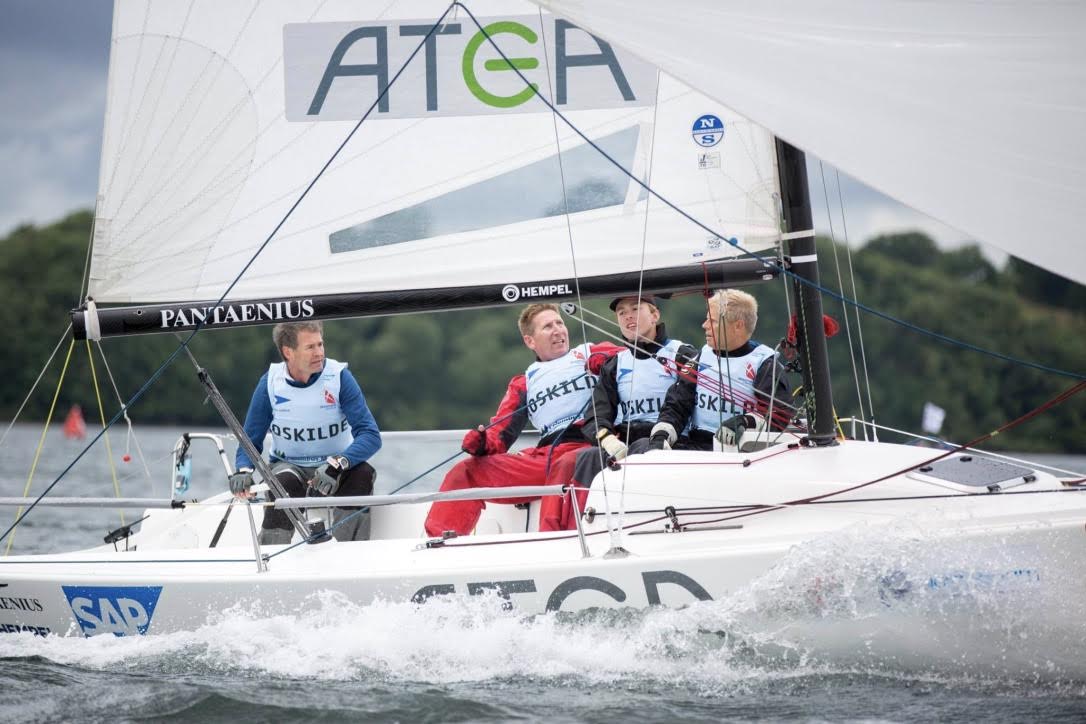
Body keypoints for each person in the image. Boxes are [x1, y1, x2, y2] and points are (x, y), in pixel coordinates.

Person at [423, 303, 621, 537]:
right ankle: (439, 544)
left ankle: (556, 543)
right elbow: (500, 434)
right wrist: (481, 442)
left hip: (588, 448)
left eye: (560, 323)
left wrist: (610, 363)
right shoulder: (524, 382)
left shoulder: (588, 354)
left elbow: (631, 360)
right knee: (465, 471)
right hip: (545, 457)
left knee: (565, 464)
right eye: (548, 326)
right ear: (530, 341)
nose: (558, 330)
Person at [538, 294, 696, 531]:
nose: (628, 316)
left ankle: (642, 526)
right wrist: (605, 437)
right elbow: (596, 413)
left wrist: (662, 434)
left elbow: (681, 402)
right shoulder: (616, 364)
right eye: (621, 312)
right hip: (628, 439)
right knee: (588, 457)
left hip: (669, 440)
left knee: (643, 449)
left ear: (655, 315)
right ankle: (577, 532)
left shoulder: (682, 354)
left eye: (635, 308)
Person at [228, 321, 382, 544]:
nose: (319, 352)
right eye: (310, 347)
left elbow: (370, 435)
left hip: (336, 467)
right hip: (290, 466)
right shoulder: (270, 383)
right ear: (288, 352)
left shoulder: (339, 377)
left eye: (321, 344)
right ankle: (272, 557)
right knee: (282, 484)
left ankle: (349, 556)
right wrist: (243, 470)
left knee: (362, 475)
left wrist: (337, 464)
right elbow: (250, 439)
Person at [635, 288, 794, 453]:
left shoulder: (763, 363)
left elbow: (779, 415)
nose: (704, 326)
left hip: (738, 453)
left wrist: (745, 421)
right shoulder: (702, 356)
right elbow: (677, 405)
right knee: (642, 446)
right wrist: (662, 434)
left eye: (713, 321)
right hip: (696, 446)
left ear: (738, 325)